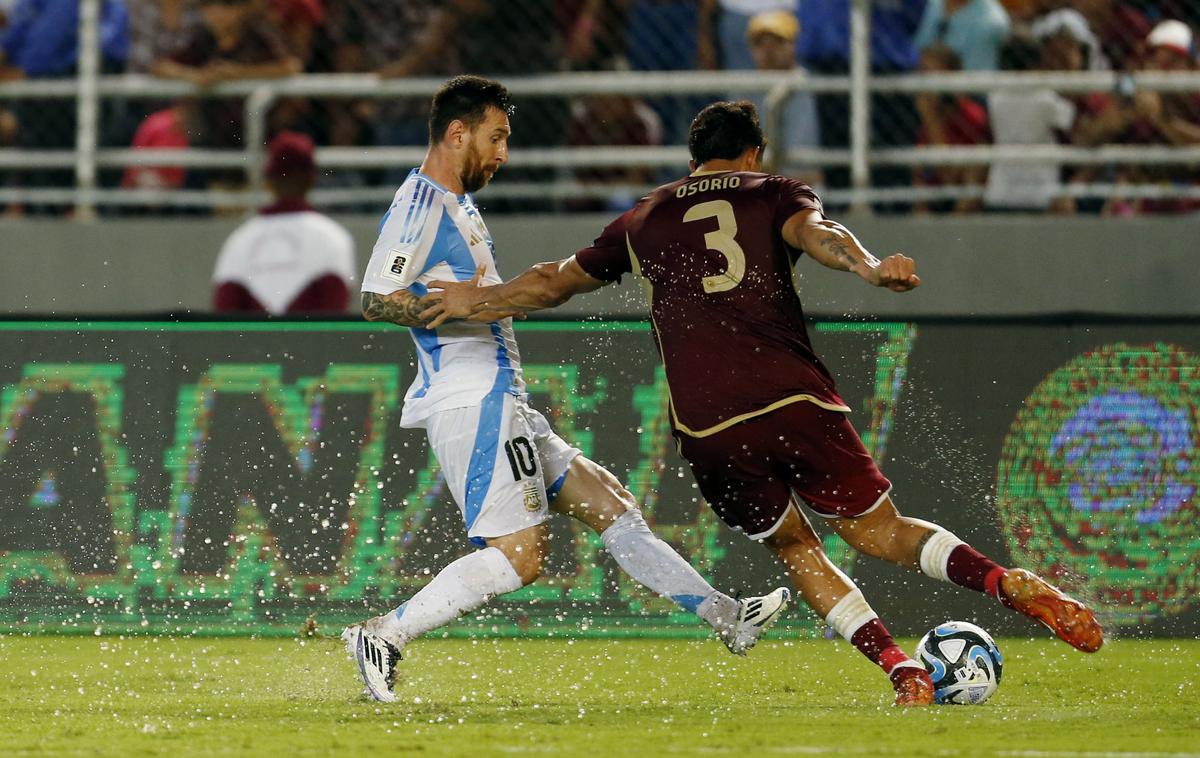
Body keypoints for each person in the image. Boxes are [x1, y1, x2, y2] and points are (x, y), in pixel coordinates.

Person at [419, 100, 1106, 707]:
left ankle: (900, 671)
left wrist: (470, 300)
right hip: (794, 397)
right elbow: (821, 235)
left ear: (691, 160)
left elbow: (549, 284)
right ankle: (1003, 582)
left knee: (795, 545)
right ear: (753, 153)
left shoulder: (646, 216)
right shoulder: (773, 192)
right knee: (880, 533)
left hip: (709, 424)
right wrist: (869, 266)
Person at [342, 77, 790, 704]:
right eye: (496, 138)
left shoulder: (460, 206)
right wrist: (472, 309)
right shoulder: (421, 203)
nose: (503, 153)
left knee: (610, 503)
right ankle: (384, 635)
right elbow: (376, 299)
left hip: (505, 399)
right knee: (521, 557)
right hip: (473, 399)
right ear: (457, 132)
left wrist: (492, 302)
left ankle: (726, 618)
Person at [212, 131, 356, 314]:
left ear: (269, 181)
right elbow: (334, 315)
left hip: (254, 342)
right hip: (309, 342)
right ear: (312, 179)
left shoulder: (239, 240)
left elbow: (225, 315)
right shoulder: (334, 238)